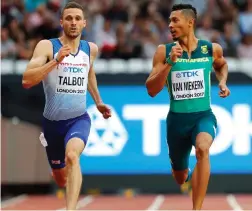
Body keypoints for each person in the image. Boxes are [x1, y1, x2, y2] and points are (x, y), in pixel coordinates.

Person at [22, 1, 111, 210]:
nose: (73, 22)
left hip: (78, 119)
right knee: (61, 180)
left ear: (84, 24)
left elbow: (89, 72)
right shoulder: (47, 46)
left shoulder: (91, 49)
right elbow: (26, 80)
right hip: (52, 124)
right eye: (69, 18)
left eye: (78, 19)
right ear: (61, 22)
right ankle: (57, 166)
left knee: (72, 156)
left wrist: (98, 101)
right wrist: (54, 62)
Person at [145, 3, 230, 210]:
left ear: (190, 22)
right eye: (169, 21)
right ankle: (187, 173)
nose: (170, 25)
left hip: (203, 116)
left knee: (203, 149)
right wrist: (170, 63)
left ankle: (196, 208)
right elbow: (152, 89)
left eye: (175, 20)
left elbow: (221, 65)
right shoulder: (163, 51)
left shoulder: (210, 49)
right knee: (180, 177)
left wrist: (222, 81)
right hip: (176, 122)